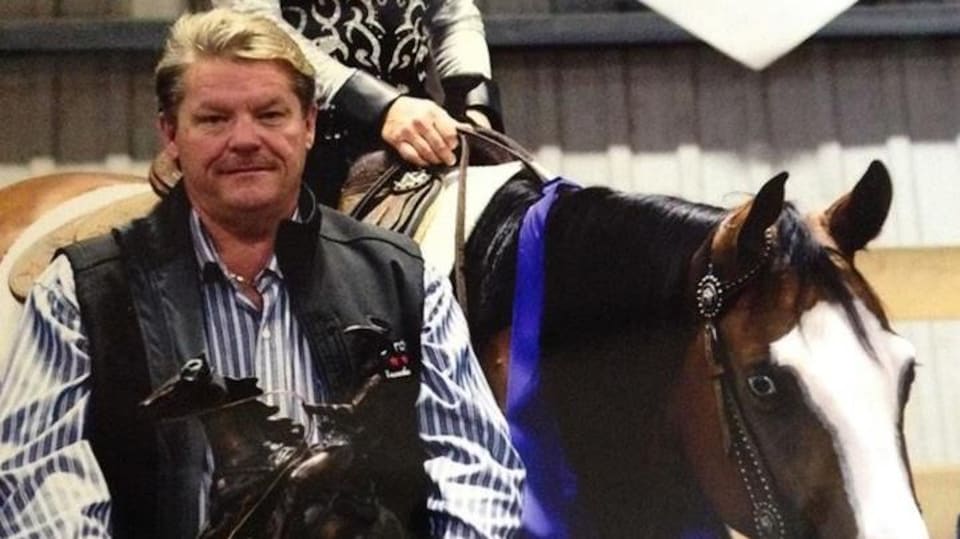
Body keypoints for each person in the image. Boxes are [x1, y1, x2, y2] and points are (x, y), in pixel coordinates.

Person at [0, 9, 523, 538]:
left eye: (271, 114)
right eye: (213, 119)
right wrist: (380, 104)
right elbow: (39, 489)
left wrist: (474, 97)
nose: (245, 139)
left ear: (309, 125)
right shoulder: (78, 296)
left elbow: (476, 474)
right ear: (170, 134)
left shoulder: (409, 280)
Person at [152, 0, 502, 207]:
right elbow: (254, 23)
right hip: (295, 135)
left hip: (417, 123)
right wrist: (380, 107)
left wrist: (473, 105)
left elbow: (454, 16)